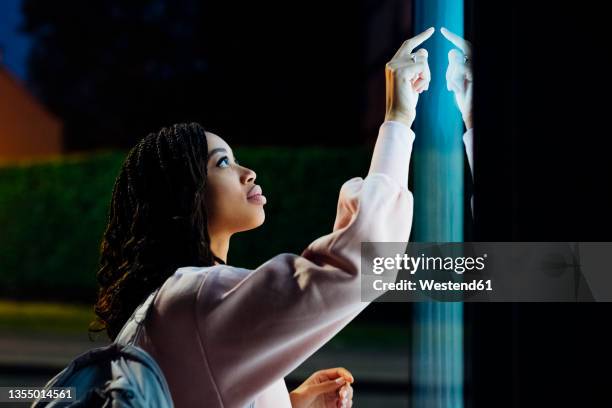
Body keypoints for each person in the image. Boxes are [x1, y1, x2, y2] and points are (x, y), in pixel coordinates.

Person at [90, 27, 435, 408]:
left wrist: (290, 402)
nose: (247, 172)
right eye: (222, 162)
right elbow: (359, 263)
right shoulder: (196, 298)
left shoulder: (167, 308)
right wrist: (399, 119)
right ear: (183, 195)